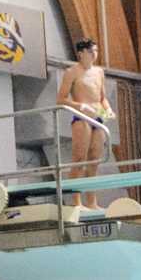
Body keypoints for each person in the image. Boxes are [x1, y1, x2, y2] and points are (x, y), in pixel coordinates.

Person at [56, 37, 115, 184]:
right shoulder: (72, 72)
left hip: (98, 117)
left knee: (94, 161)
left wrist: (108, 109)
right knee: (79, 159)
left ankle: (91, 201)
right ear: (81, 53)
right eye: (90, 51)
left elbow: (102, 98)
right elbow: (61, 99)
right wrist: (80, 106)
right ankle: (76, 200)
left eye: (96, 50)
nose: (94, 54)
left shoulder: (99, 72)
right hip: (82, 118)